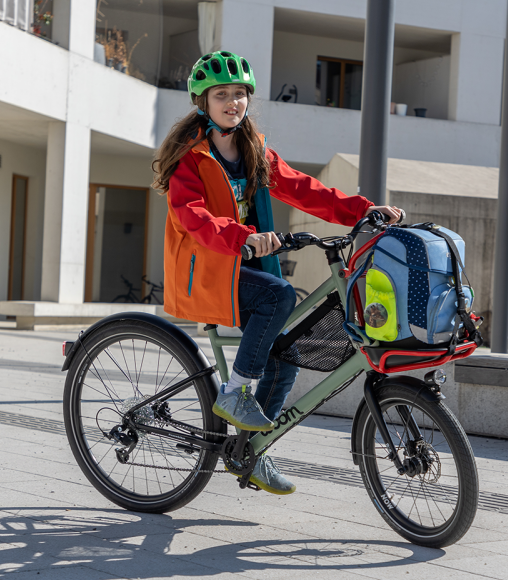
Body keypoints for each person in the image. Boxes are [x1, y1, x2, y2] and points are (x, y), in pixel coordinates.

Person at [152, 51, 401, 495]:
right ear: (202, 103)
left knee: (285, 358)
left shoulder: (254, 150)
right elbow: (191, 216)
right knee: (279, 295)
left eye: (240, 94)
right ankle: (235, 393)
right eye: (221, 95)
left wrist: (365, 211)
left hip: (248, 268)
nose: (232, 102)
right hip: (211, 268)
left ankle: (250, 452)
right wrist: (241, 236)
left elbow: (306, 190)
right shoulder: (191, 159)